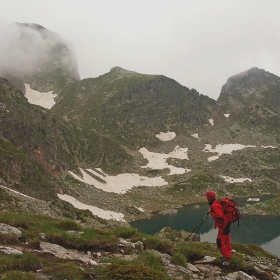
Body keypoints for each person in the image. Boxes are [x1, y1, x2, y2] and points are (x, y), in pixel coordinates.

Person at [204, 190, 232, 266]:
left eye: (207, 197)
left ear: (209, 197)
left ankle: (227, 256)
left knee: (220, 241)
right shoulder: (217, 202)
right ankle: (228, 254)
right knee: (226, 240)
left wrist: (211, 212)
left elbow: (219, 215)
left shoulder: (214, 205)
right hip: (227, 223)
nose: (206, 198)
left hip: (224, 225)